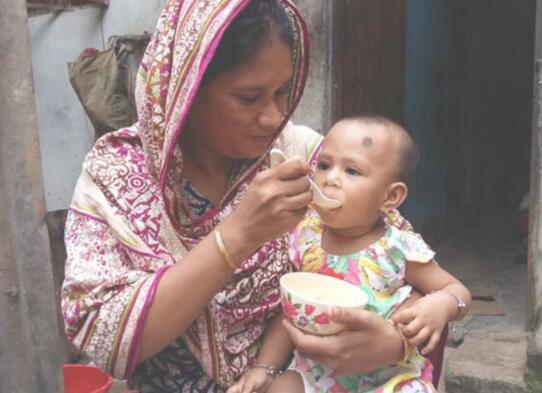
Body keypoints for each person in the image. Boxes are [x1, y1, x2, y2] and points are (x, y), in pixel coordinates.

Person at [61, 1, 446, 392]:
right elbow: (106, 340)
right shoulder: (118, 175)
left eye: (283, 92)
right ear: (186, 88)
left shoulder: (305, 159)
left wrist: (395, 342)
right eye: (250, 97)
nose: (274, 116)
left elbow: (394, 260)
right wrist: (238, 235)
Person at [228, 116, 471, 393]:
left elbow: (457, 290)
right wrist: (265, 368)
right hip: (317, 375)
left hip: (387, 378)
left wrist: (440, 305)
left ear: (389, 197)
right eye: (323, 165)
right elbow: (289, 314)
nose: (330, 178)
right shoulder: (304, 237)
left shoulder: (397, 249)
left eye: (352, 171)